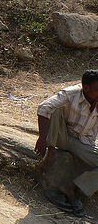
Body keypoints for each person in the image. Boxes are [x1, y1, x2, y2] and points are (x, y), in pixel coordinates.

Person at [35, 69, 98, 217]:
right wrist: (43, 139)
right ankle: (52, 151)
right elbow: (43, 108)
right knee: (55, 109)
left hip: (84, 142)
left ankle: (73, 186)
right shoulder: (72, 94)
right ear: (86, 88)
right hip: (62, 136)